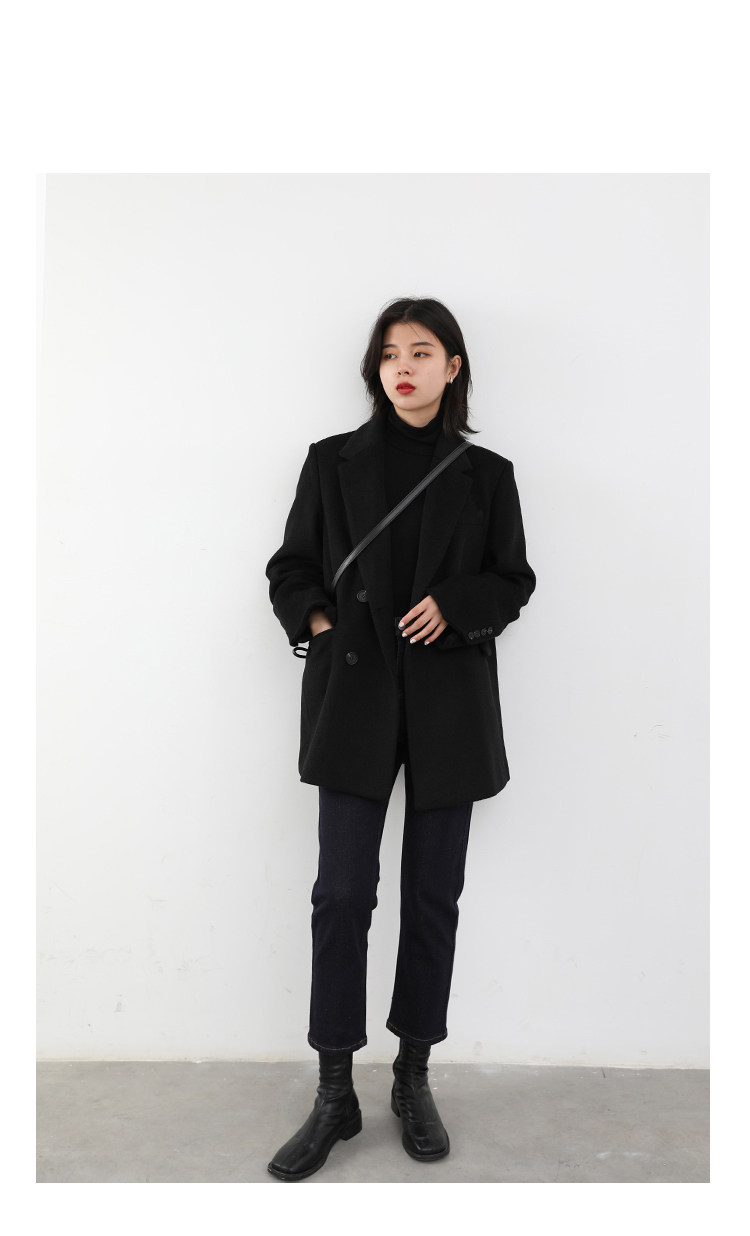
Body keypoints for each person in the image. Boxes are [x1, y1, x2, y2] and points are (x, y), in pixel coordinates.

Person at [264, 297, 536, 1181]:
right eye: (389, 354)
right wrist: (320, 620)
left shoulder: (487, 475)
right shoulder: (331, 461)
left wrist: (455, 604)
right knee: (342, 895)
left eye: (422, 352)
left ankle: (412, 1076)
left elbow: (513, 579)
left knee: (432, 896)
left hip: (449, 702)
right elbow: (291, 566)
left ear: (453, 367)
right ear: (374, 370)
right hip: (355, 697)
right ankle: (334, 1092)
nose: (403, 367)